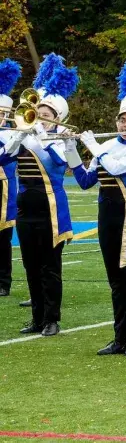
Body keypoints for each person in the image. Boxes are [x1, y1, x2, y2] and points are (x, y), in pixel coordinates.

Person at [66, 49, 126, 356]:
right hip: (108, 216)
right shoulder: (107, 145)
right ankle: (120, 338)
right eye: (123, 119)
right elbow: (85, 180)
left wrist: (93, 146)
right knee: (116, 281)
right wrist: (71, 148)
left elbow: (117, 168)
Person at [0, 56, 75, 336]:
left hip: (52, 210)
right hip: (25, 210)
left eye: (47, 114)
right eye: (38, 112)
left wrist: (43, 134)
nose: (41, 117)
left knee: (50, 267)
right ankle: (37, 318)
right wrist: (20, 136)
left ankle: (52, 319)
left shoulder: (61, 139)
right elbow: (2, 158)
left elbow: (60, 161)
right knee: (31, 266)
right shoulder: (25, 136)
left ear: (57, 118)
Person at [0, 58, 22, 298]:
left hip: (4, 188)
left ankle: (3, 281)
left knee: (2, 237)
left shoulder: (11, 135)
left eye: (2, 114)